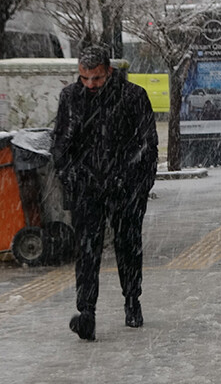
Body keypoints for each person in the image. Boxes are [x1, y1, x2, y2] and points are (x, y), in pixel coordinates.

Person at [51, 45, 158, 340]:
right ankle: (86, 312)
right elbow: (60, 143)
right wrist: (71, 177)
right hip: (87, 187)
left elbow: (148, 144)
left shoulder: (133, 96)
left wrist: (140, 184)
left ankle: (132, 300)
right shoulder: (71, 98)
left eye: (96, 78)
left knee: (128, 245)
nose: (90, 85)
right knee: (86, 251)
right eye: (84, 78)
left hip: (125, 187)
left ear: (109, 71)